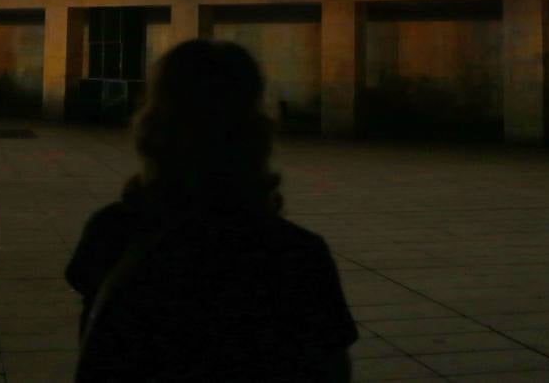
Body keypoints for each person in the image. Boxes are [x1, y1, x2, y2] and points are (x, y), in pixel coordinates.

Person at [66, 39, 356, 382]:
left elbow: (99, 359)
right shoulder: (297, 256)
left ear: (153, 123)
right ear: (253, 128)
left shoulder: (112, 233)